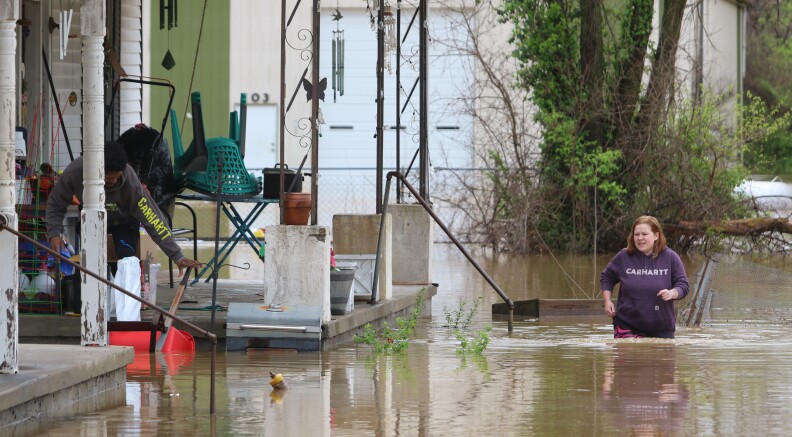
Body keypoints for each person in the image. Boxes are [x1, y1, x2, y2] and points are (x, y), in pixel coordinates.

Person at [46, 140, 201, 276]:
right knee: (92, 266)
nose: (113, 181)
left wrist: (178, 256)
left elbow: (153, 219)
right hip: (92, 222)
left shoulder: (131, 182)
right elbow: (55, 204)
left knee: (126, 264)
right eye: (108, 178)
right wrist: (54, 233)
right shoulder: (75, 172)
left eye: (117, 177)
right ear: (96, 169)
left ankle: (125, 304)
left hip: (125, 223)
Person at [601, 215, 689, 338]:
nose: (640, 238)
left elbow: (683, 285)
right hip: (626, 326)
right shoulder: (623, 256)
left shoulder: (671, 257)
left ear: (656, 236)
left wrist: (672, 293)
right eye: (636, 234)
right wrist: (607, 300)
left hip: (662, 328)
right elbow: (607, 277)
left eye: (644, 234)